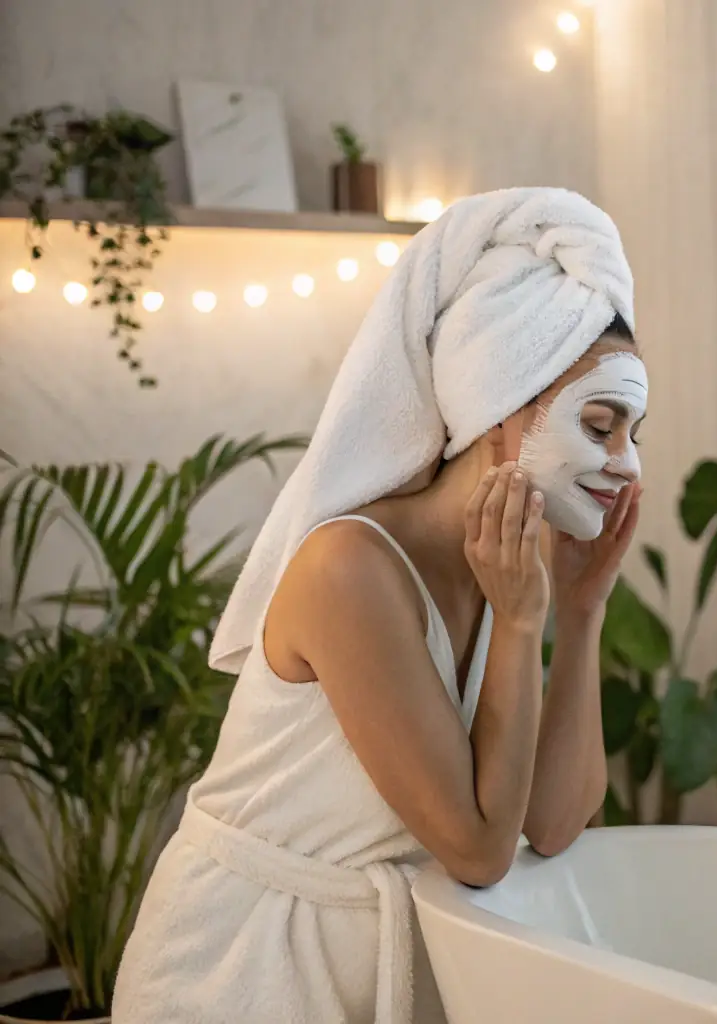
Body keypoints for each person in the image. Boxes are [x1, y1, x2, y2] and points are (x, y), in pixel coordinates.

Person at [111, 188, 645, 1024]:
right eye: (602, 423)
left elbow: (552, 823)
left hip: (367, 968)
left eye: (633, 433)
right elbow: (477, 849)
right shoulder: (348, 570)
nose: (627, 465)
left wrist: (579, 616)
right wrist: (520, 623)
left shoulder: (499, 575)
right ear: (501, 419)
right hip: (243, 968)